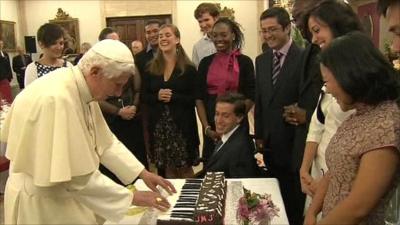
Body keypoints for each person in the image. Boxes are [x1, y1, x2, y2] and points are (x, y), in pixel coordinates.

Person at [0, 39, 176, 224]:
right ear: (95, 72)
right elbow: (76, 177)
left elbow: (105, 142)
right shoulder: (57, 99)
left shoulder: (80, 87)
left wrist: (142, 173)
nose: (118, 94)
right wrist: (130, 197)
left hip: (64, 196)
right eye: (117, 84)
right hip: (43, 203)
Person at [304, 31, 400, 225]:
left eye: (327, 81)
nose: (328, 90)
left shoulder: (385, 124)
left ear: (350, 75)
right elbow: (335, 172)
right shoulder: (357, 116)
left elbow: (359, 207)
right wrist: (312, 213)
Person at [297, 0, 364, 212]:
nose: (314, 39)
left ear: (337, 25)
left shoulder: (359, 73)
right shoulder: (328, 67)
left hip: (342, 180)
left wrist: (326, 184)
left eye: (317, 31)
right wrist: (304, 169)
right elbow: (317, 125)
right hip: (317, 173)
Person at [254, 7, 303, 225]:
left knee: (294, 199)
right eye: (263, 31)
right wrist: (259, 136)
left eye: (272, 29)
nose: (267, 35)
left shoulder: (303, 58)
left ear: (287, 28)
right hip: (271, 143)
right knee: (274, 197)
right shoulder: (261, 60)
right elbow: (261, 101)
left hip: (295, 141)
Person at [142, 24, 200, 178]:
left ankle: (192, 199)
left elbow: (195, 99)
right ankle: (174, 201)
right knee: (167, 171)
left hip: (182, 127)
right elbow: (144, 96)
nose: (163, 38)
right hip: (160, 128)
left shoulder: (189, 69)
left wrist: (174, 97)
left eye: (167, 35)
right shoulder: (150, 68)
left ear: (177, 39)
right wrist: (157, 96)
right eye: (161, 36)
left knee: (185, 169)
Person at [197, 18, 255, 165]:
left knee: (238, 168)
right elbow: (199, 98)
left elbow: (251, 95)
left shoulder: (245, 62)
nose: (219, 39)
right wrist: (207, 128)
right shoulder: (205, 63)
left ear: (233, 35)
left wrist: (234, 121)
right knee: (211, 171)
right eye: (215, 36)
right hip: (212, 125)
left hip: (237, 125)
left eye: (223, 35)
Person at [97, 30, 148, 184]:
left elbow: (137, 88)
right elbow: (96, 98)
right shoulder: (98, 67)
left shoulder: (127, 62)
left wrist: (133, 106)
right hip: (110, 119)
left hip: (131, 118)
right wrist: (118, 111)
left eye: (118, 41)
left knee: (134, 156)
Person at [202, 92, 259, 178]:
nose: (219, 120)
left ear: (239, 118)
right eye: (217, 114)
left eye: (225, 116)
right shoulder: (228, 136)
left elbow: (239, 186)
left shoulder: (240, 149)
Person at [192, 2, 219, 68]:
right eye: (200, 21)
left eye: (206, 20)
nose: (203, 25)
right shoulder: (197, 47)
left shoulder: (228, 41)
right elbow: (196, 73)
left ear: (216, 18)